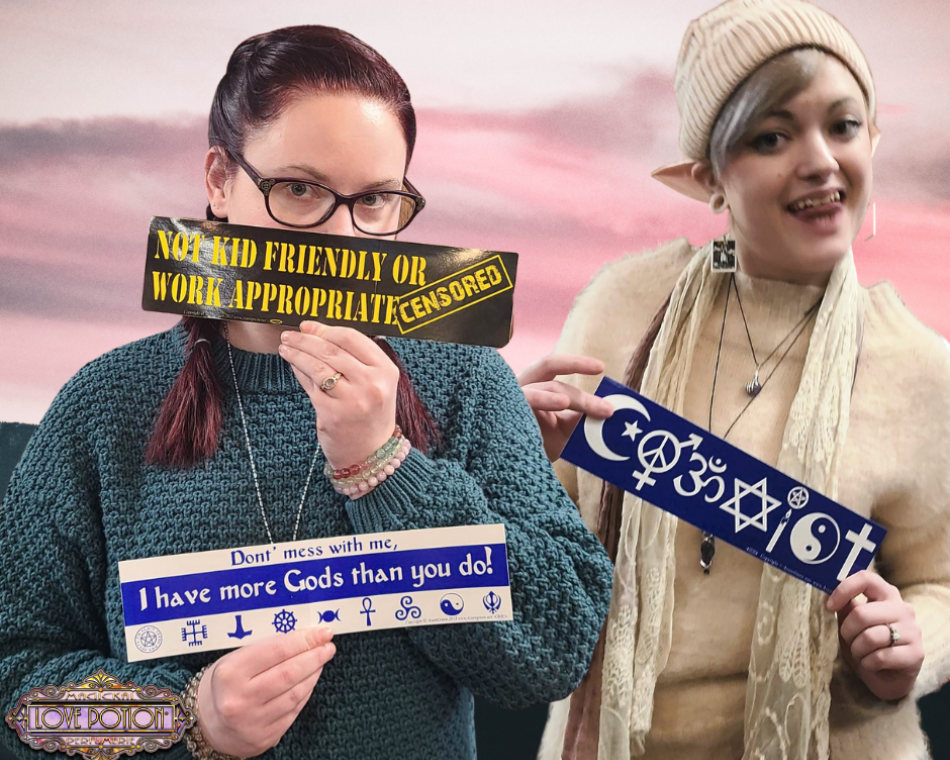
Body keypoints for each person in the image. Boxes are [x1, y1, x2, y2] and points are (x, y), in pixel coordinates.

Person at [0, 26, 613, 760]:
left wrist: (388, 466)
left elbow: (555, 649)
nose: (342, 237)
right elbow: (16, 691)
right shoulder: (104, 406)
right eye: (299, 190)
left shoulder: (469, 384)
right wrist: (182, 717)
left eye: (376, 201)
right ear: (220, 182)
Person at [521, 1, 950, 758]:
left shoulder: (921, 367)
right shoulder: (622, 307)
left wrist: (915, 645)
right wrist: (515, 450)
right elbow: (540, 550)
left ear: (872, 141)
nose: (819, 159)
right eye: (772, 136)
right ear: (708, 179)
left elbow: (941, 581)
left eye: (843, 126)